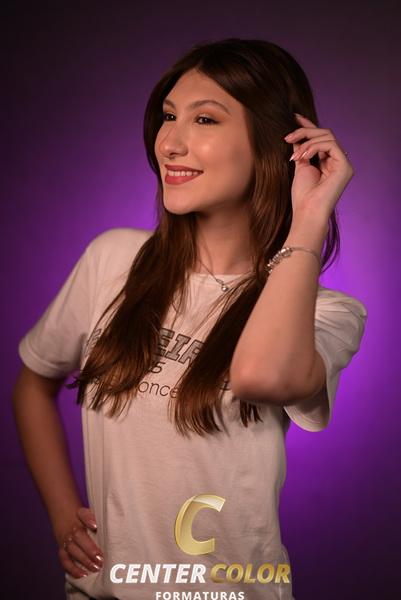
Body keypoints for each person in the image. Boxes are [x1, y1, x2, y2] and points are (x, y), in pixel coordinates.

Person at [13, 37, 368, 600]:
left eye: (204, 119)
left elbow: (261, 376)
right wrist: (63, 515)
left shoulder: (327, 312)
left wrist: (309, 217)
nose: (170, 143)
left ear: (277, 145)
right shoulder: (113, 260)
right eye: (168, 116)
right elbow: (33, 383)